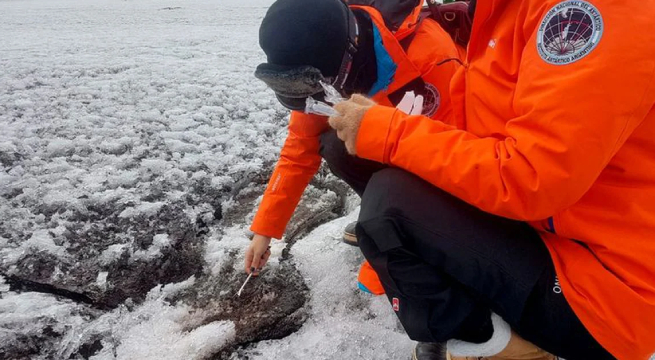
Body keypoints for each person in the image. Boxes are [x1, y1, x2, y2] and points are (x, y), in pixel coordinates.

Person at [327, 0, 655, 359]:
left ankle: (503, 346)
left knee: (391, 205)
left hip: (610, 294)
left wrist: (393, 134)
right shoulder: (501, 10)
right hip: (551, 230)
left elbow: (531, 177)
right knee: (392, 182)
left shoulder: (594, 11)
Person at [245, 0, 464, 279]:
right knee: (334, 144)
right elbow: (299, 149)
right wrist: (264, 230)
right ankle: (387, 216)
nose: (313, 101)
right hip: (393, 149)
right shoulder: (316, 74)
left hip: (443, 147)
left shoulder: (429, 56)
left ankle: (409, 230)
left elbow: (455, 156)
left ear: (349, 58)